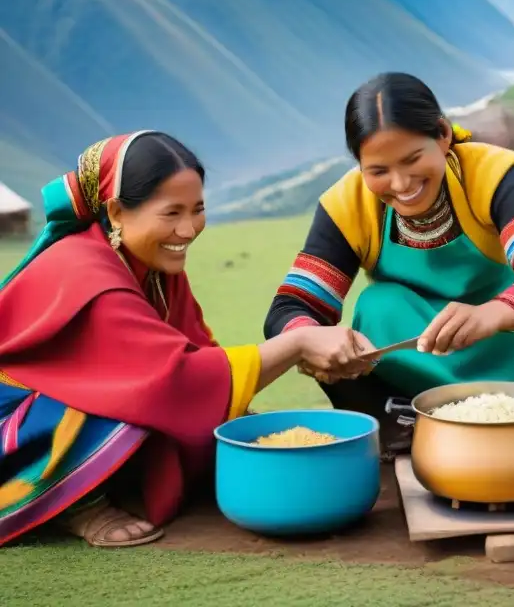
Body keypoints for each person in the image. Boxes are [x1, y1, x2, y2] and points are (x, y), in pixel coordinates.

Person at [0, 132, 378, 548]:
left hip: (88, 397)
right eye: (171, 213)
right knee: (130, 400)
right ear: (117, 211)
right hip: (16, 430)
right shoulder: (85, 271)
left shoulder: (150, 265)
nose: (188, 229)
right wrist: (298, 343)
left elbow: (198, 352)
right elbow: (170, 379)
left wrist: (239, 414)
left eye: (198, 209)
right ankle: (77, 505)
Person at [265, 73, 514, 453]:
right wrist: (313, 338)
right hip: (421, 362)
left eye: (412, 159)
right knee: (378, 304)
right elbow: (289, 309)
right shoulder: (346, 205)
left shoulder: (493, 175)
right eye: (378, 171)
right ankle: (399, 429)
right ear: (359, 165)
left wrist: (492, 314)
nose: (401, 183)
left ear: (442, 135)